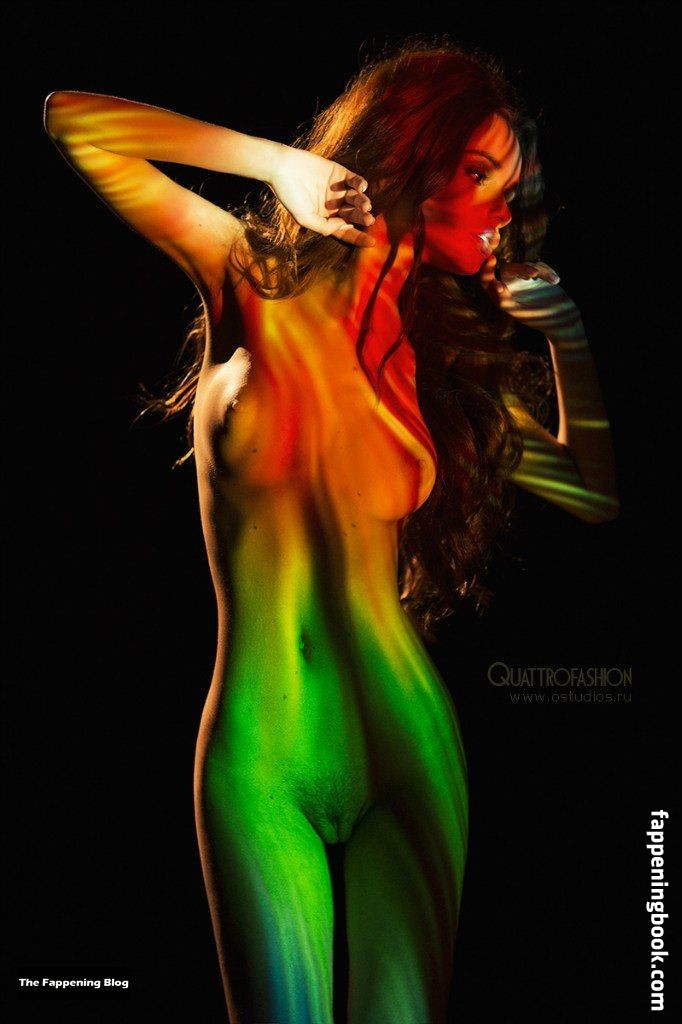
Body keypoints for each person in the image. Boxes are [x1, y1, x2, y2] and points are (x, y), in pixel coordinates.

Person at [43, 36, 619, 1024]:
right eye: (479, 173)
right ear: (407, 157)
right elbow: (73, 122)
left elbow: (589, 492)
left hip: (408, 744)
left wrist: (567, 342)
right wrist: (278, 164)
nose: (502, 209)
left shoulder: (440, 371)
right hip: (262, 758)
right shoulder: (245, 277)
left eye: (510, 186)